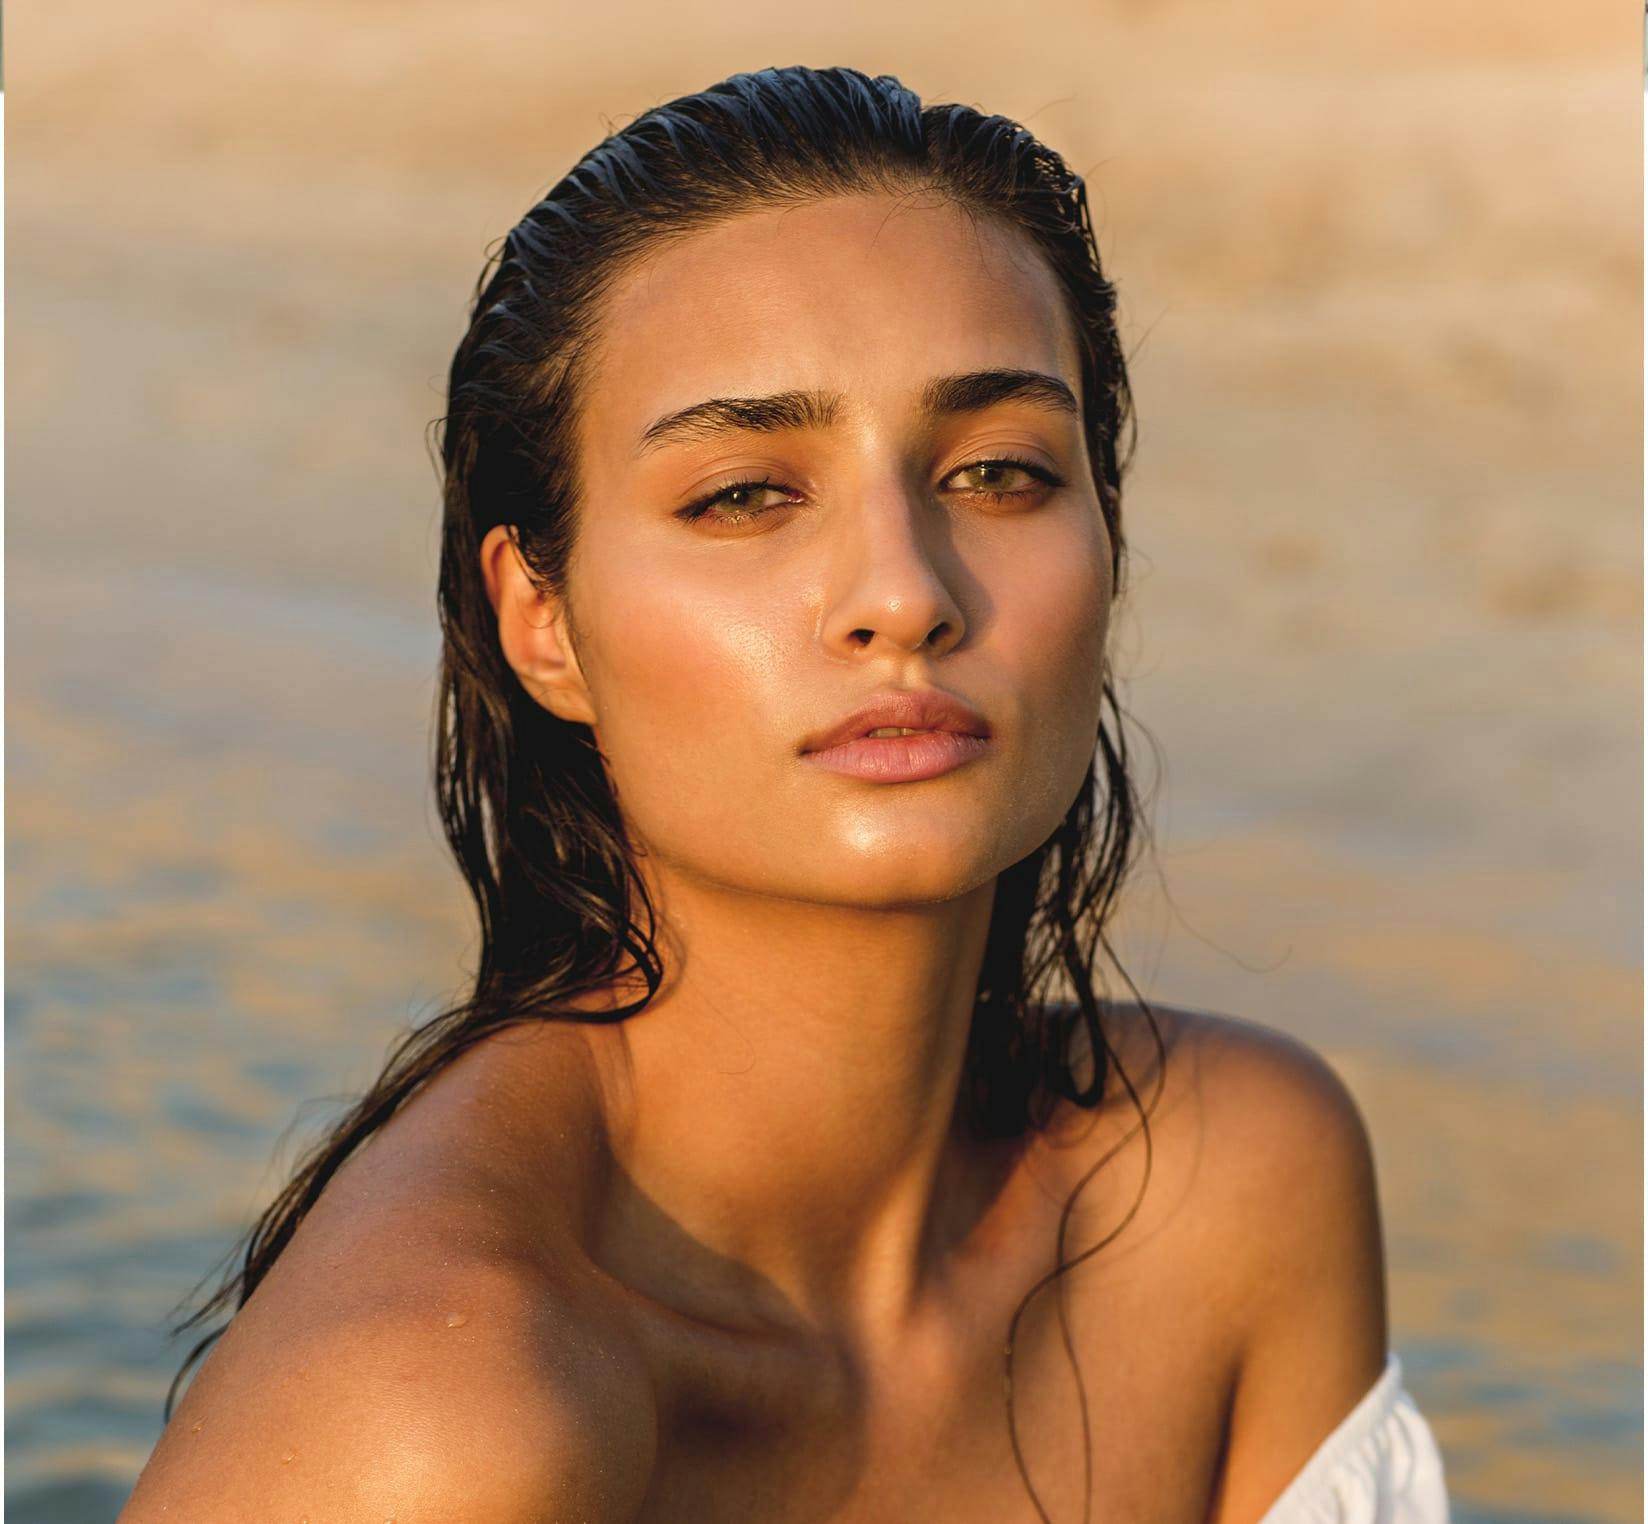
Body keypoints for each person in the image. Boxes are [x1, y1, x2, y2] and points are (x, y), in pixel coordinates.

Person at [120, 66, 1449, 1522]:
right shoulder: (440, 1417)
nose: (902, 594)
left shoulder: (1227, 1191)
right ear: (542, 621)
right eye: (746, 493)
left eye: (1000, 472)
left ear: (1110, 542)